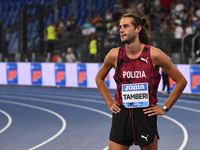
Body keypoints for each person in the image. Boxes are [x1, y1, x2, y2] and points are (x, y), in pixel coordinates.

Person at [95, 13, 187, 150]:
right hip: (122, 114)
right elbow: (99, 78)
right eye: (120, 26)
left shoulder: (154, 54)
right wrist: (109, 102)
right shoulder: (114, 55)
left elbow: (181, 81)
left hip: (145, 114)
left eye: (126, 26)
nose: (121, 30)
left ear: (138, 29)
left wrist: (165, 108)